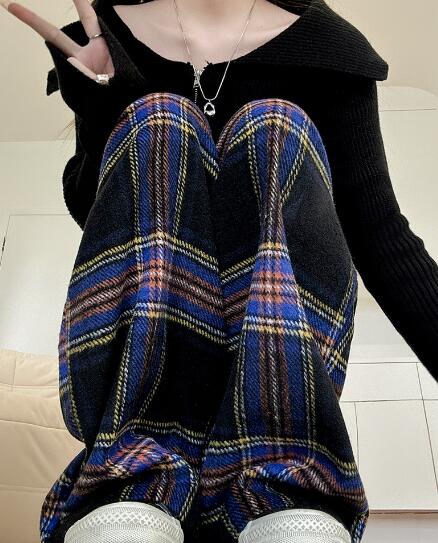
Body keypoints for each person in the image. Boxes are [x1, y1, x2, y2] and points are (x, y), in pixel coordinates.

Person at [2, 1, 438, 542]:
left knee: (274, 127)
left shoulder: (330, 53)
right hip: (154, 345)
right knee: (160, 122)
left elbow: (384, 241)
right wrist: (106, 116)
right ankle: (136, 482)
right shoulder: (104, 41)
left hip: (274, 357)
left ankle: (281, 486)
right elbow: (96, 212)